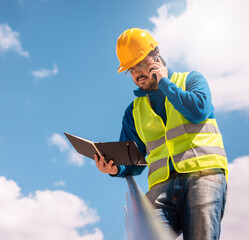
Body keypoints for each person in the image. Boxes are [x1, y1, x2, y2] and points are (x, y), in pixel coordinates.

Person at [94, 28, 228, 240]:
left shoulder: (191, 80)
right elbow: (131, 162)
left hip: (203, 176)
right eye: (131, 69)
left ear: (157, 57)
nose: (137, 73)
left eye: (141, 64)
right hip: (161, 188)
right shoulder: (133, 112)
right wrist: (114, 168)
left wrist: (166, 84)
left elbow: (198, 111)